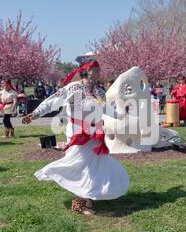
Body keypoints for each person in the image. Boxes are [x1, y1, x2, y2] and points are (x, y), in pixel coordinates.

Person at [23, 61, 130, 215]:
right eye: (96, 70)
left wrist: (122, 113)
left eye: (99, 70)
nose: (99, 73)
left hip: (95, 134)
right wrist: (35, 114)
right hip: (77, 134)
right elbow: (52, 101)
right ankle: (79, 203)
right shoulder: (74, 88)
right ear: (87, 71)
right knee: (80, 165)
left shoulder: (98, 91)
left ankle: (87, 200)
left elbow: (106, 109)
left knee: (94, 167)